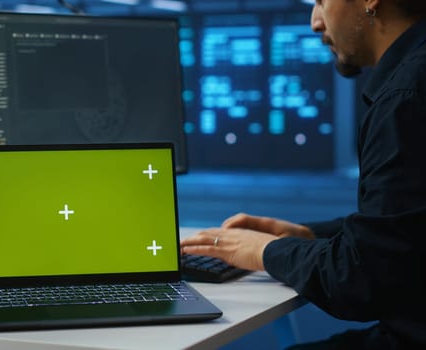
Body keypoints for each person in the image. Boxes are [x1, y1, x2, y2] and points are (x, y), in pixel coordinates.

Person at [180, 0, 426, 348]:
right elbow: (408, 230)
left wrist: (267, 251)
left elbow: (362, 281)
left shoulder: (406, 97)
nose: (314, 21)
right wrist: (310, 235)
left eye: (322, 1)